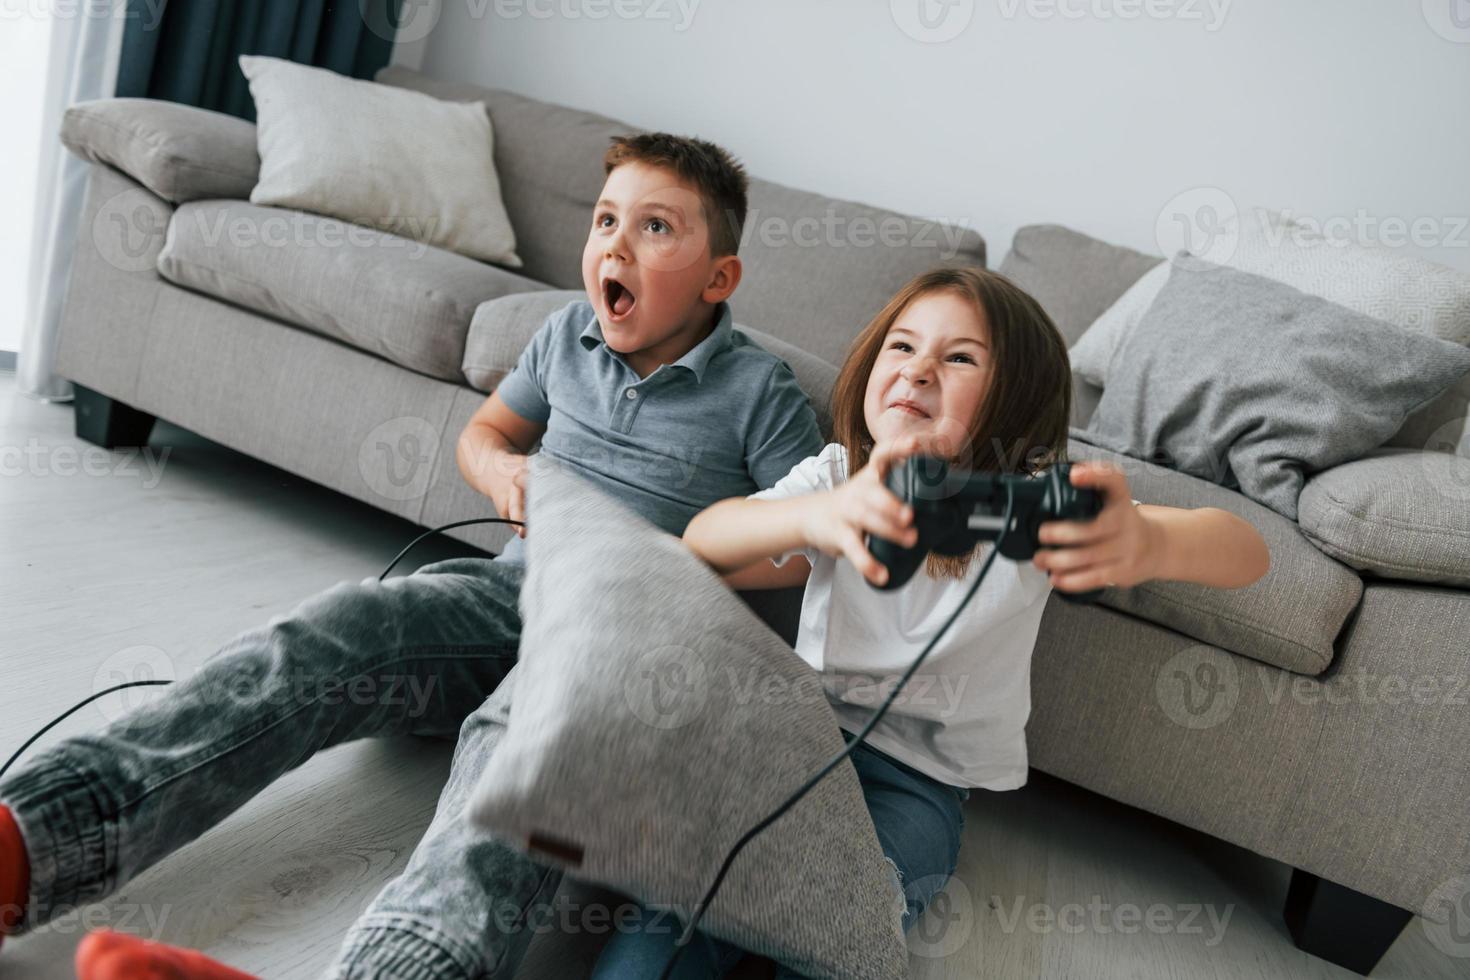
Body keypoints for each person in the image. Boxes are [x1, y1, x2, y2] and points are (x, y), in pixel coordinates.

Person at [0, 132, 825, 980]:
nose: (615, 243)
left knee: (520, 743)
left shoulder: (760, 392)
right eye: (606, 219)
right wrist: (504, 470)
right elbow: (486, 434)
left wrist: (673, 562)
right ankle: (34, 837)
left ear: (718, 278)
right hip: (512, 594)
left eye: (655, 229)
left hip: (632, 646)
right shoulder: (565, 335)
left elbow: (799, 549)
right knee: (342, 628)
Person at [591, 266, 1271, 978]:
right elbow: (707, 540)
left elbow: (1245, 552)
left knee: (841, 924)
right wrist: (814, 515)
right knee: (680, 908)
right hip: (793, 738)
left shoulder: (1034, 507)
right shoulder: (838, 476)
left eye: (959, 357)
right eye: (902, 346)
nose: (918, 370)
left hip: (918, 783)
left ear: (1015, 400)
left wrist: (1149, 543)